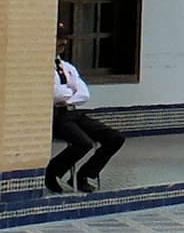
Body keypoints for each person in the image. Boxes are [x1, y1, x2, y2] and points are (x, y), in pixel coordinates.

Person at [47, 34, 126, 193]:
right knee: (83, 143)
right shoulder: (43, 67)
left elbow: (83, 93)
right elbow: (54, 93)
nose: (62, 42)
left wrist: (68, 99)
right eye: (58, 39)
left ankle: (83, 175)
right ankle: (52, 172)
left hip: (73, 112)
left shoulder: (67, 67)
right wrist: (70, 93)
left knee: (114, 138)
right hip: (55, 115)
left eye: (63, 40)